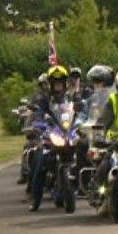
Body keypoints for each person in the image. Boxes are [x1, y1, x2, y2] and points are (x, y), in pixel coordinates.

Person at [29, 65, 84, 211]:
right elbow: (37, 113)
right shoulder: (44, 97)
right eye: (55, 81)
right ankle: (36, 199)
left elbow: (82, 110)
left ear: (65, 82)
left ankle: (90, 186)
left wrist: (83, 120)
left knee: (86, 151)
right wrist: (37, 124)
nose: (58, 84)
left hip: (69, 131)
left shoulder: (72, 96)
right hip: (51, 133)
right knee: (40, 161)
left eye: (61, 81)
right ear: (51, 82)